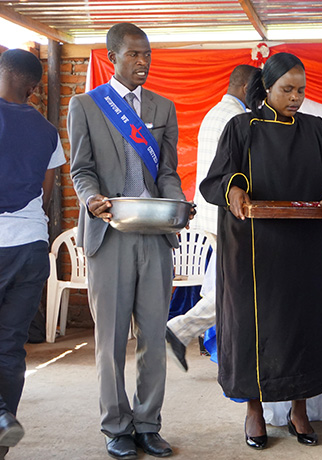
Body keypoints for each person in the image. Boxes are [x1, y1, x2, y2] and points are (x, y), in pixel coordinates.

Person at [199, 52, 322, 450]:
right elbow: (215, 181)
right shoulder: (242, 127)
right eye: (286, 90)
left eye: (301, 90)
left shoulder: (315, 129)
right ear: (267, 88)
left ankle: (299, 409)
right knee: (252, 327)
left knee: (302, 325)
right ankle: (254, 411)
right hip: (250, 249)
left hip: (302, 246)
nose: (295, 98)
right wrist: (235, 188)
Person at [69, 23, 189, 459]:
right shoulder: (85, 105)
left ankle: (148, 423)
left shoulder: (164, 107)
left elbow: (169, 172)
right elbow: (80, 168)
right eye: (135, 55)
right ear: (113, 57)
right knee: (112, 340)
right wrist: (91, 199)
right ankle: (116, 426)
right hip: (110, 235)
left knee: (154, 338)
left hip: (155, 235)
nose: (144, 62)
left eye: (148, 54)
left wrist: (177, 206)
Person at [165, 64, 255, 372]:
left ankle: (188, 332)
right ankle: (182, 328)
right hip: (227, 213)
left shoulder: (217, 112)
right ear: (246, 89)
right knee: (237, 285)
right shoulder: (235, 117)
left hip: (213, 211)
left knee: (229, 283)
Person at [0, 49, 65, 460]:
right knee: (10, 347)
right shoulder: (48, 132)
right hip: (30, 247)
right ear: (33, 87)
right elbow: (45, 192)